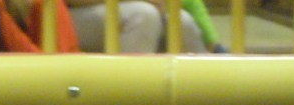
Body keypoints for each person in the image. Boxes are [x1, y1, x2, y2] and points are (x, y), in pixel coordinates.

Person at [66, 0, 213, 53]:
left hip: (121, 9)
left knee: (181, 21)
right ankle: (129, 104)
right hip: (66, 17)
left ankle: (205, 102)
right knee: (143, 15)